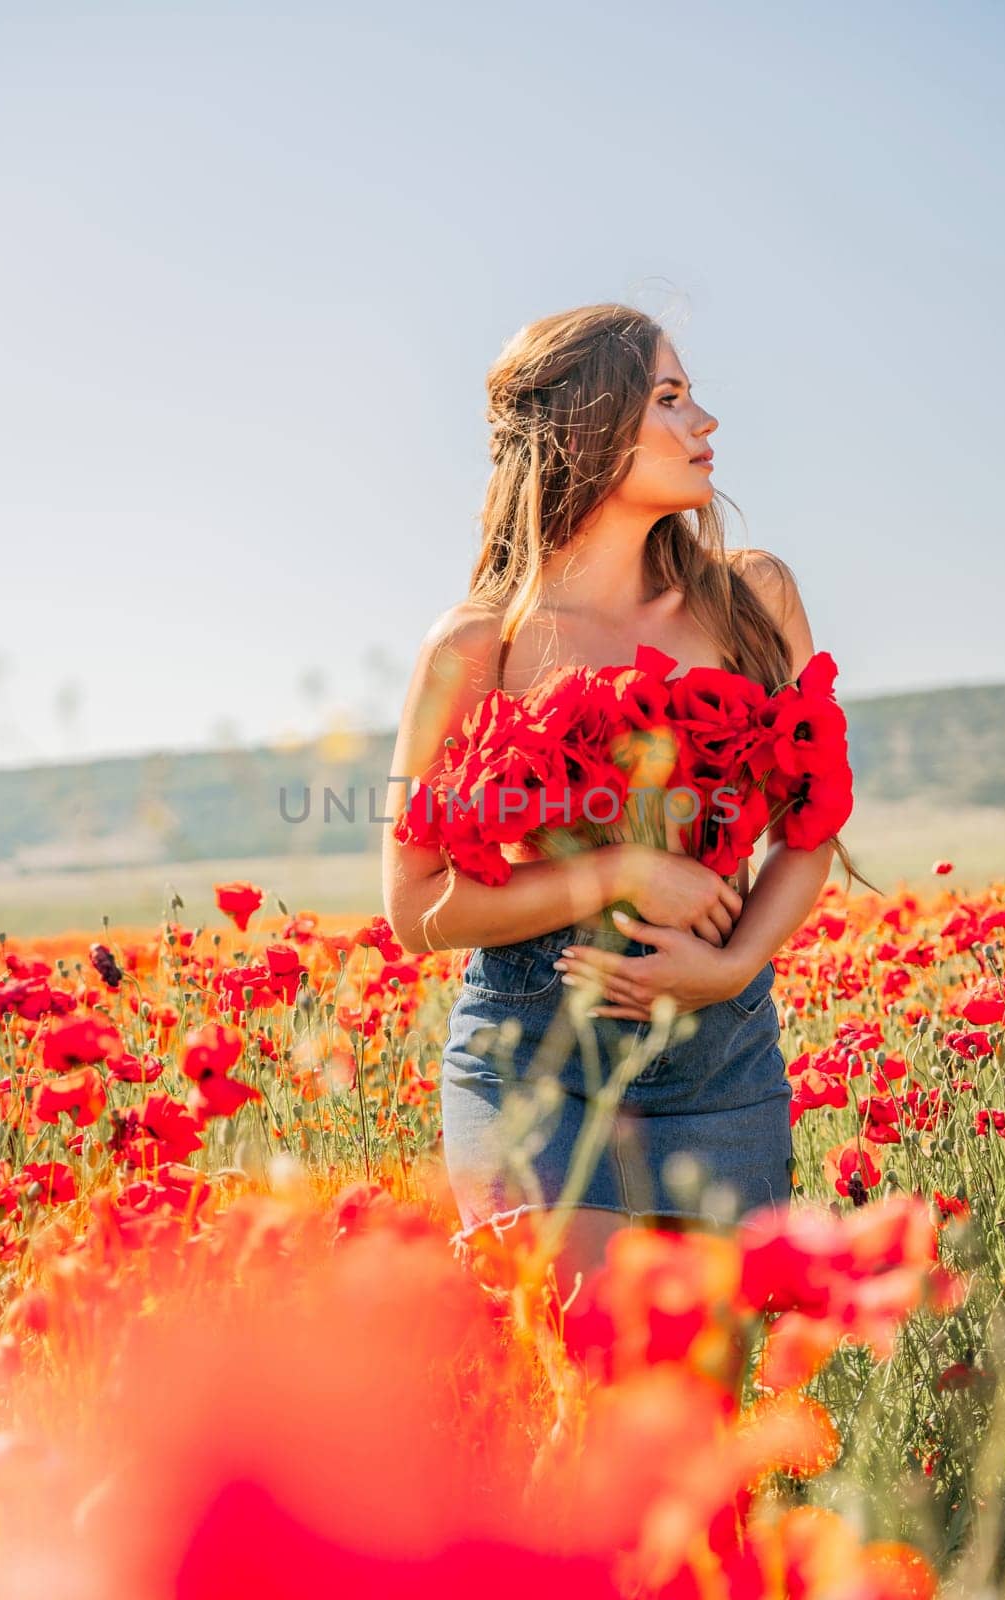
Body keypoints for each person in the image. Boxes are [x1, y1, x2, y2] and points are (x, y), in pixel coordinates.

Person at [382, 303, 865, 1284]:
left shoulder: (752, 598)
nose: (705, 423)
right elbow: (414, 906)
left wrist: (727, 970)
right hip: (531, 1057)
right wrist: (622, 870)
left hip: (722, 1059)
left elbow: (810, 830)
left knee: (697, 1411)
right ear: (589, 424)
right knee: (589, 1379)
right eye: (670, 398)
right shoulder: (477, 645)